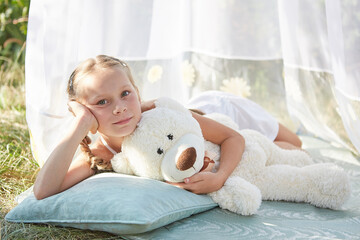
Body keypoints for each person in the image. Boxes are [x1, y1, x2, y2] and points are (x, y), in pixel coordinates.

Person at [33, 55, 245, 200]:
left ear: (137, 91)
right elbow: (43, 190)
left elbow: (233, 138)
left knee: (277, 143)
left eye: (125, 94)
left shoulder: (160, 112)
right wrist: (80, 124)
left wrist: (219, 178)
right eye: (102, 102)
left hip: (224, 108)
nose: (120, 108)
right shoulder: (102, 154)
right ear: (84, 112)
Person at [185, 91, 302, 150]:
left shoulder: (199, 122)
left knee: (296, 144)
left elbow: (235, 139)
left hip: (231, 108)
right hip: (209, 108)